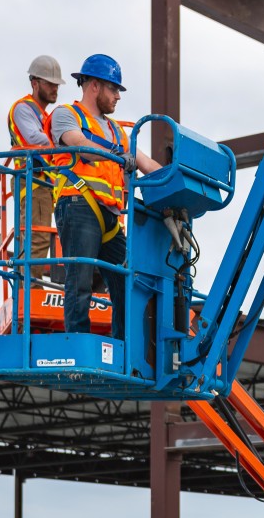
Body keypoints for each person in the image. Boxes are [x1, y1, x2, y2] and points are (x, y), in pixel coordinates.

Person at [46, 54, 161, 340]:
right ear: (94, 86)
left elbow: (146, 164)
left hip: (109, 216)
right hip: (78, 205)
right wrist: (120, 157)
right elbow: (80, 146)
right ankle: (78, 343)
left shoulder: (116, 130)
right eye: (114, 89)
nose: (118, 97)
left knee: (127, 281)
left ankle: (124, 347)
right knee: (80, 279)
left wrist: (178, 179)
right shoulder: (66, 115)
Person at [8, 55, 65, 281]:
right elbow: (35, 139)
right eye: (50, 84)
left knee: (36, 236)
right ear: (35, 83)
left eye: (56, 85)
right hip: (32, 182)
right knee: (37, 237)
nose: (54, 89)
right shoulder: (23, 109)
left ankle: (28, 285)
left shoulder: (43, 115)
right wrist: (64, 145)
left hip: (42, 182)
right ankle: (29, 290)